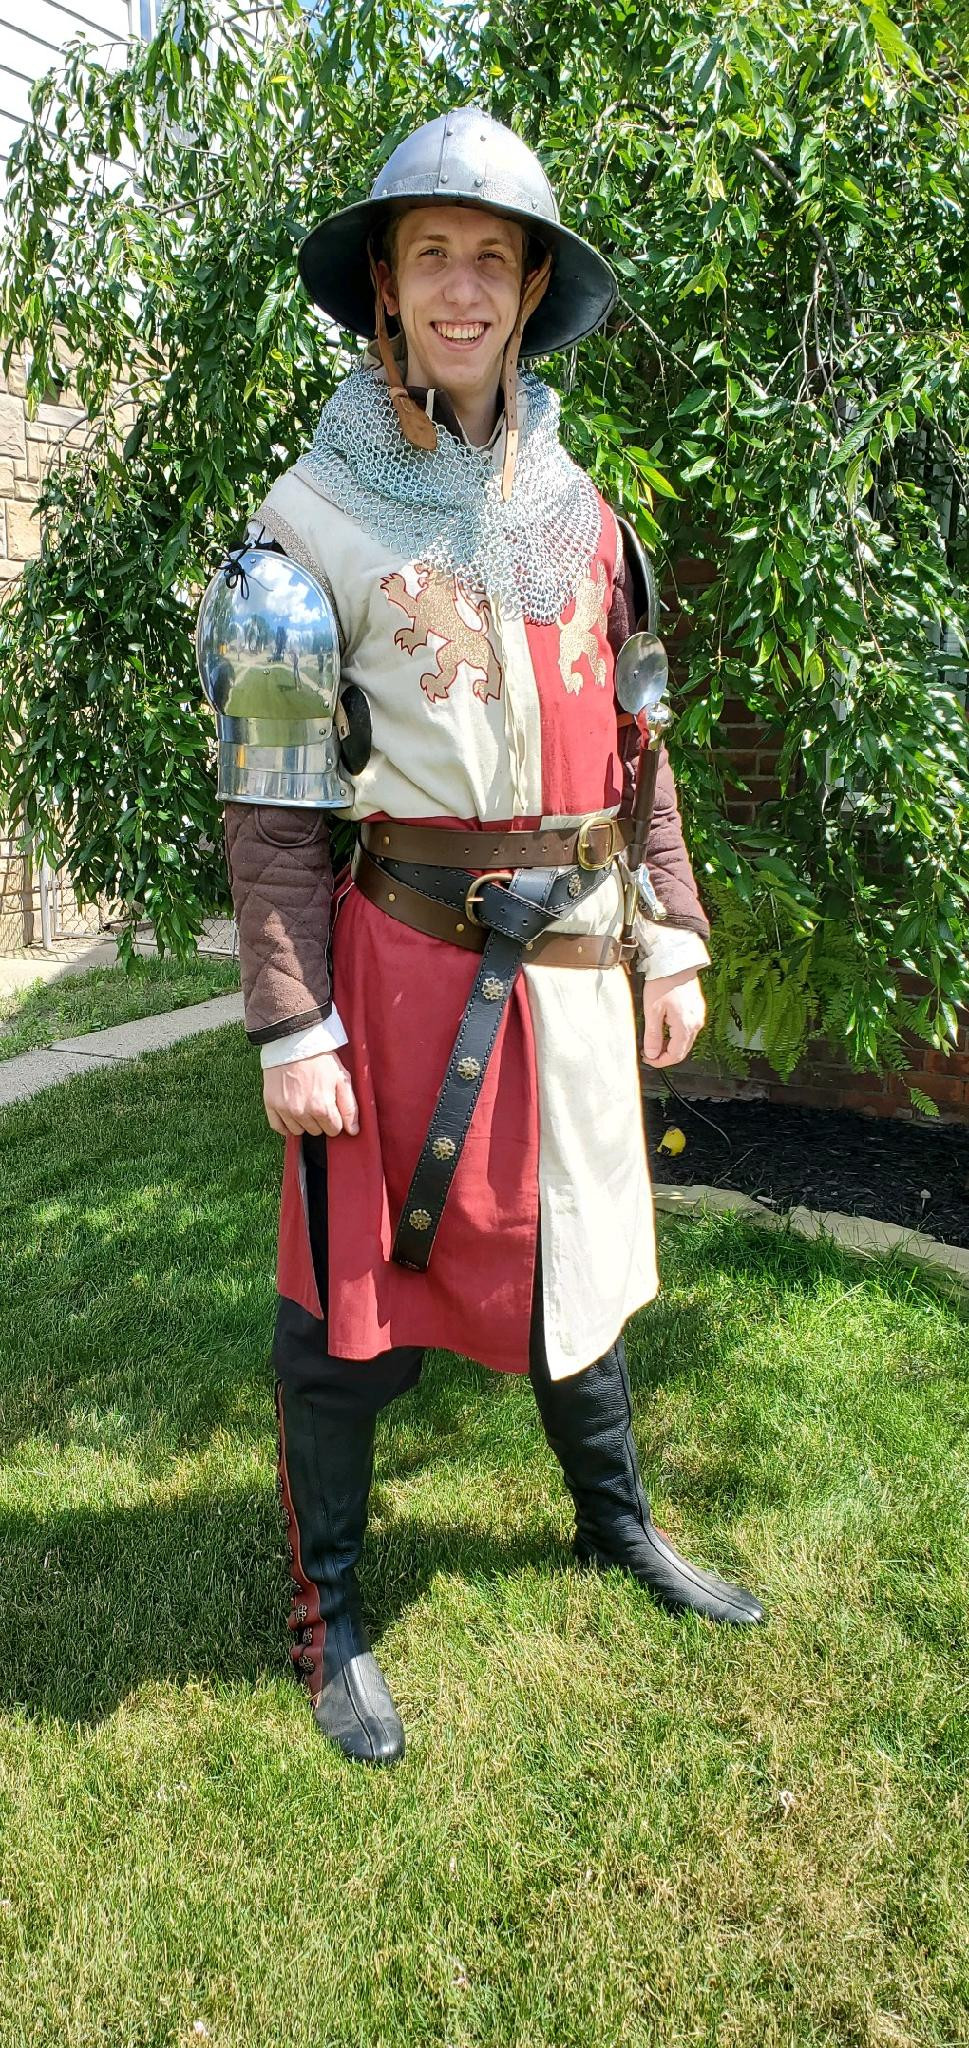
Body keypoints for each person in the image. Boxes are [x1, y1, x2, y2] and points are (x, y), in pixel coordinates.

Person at [211, 107, 763, 1770]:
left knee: (573, 1254)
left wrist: (672, 927)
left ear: (530, 293)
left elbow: (640, 744)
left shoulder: (582, 516)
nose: (462, 287)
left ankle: (615, 1522)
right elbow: (272, 810)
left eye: (493, 259)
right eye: (431, 254)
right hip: (401, 967)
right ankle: (328, 1613)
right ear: (384, 286)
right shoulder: (306, 524)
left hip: (578, 962)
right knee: (345, 1304)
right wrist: (291, 1023)